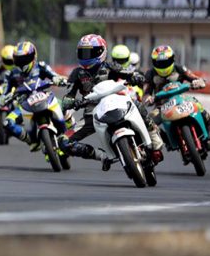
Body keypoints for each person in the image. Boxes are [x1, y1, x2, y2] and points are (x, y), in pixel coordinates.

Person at [61, 34, 163, 170]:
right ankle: (102, 156)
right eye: (83, 53)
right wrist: (70, 102)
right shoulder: (76, 73)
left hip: (116, 102)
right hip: (93, 113)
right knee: (64, 142)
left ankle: (153, 136)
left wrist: (136, 77)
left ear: (101, 51)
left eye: (90, 52)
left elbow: (128, 72)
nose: (86, 57)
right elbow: (68, 95)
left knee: (136, 104)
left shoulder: (110, 66)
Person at [2, 41, 67, 150]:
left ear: (33, 56)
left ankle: (69, 132)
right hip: (24, 104)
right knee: (7, 122)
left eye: (25, 59)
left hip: (45, 97)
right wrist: (4, 97)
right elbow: (4, 92)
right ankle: (31, 140)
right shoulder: (11, 74)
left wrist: (58, 79)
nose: (22, 62)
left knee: (65, 104)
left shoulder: (41, 66)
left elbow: (54, 75)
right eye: (19, 60)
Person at [143, 45, 210, 137]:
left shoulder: (180, 68)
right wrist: (148, 98)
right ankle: (163, 139)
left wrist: (198, 82)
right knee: (148, 123)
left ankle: (209, 125)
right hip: (161, 106)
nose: (163, 65)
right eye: (159, 63)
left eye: (166, 62)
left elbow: (193, 77)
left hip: (181, 99)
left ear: (172, 59)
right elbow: (146, 92)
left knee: (197, 104)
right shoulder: (150, 74)